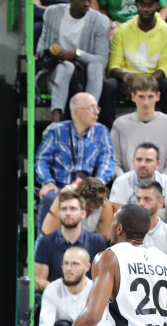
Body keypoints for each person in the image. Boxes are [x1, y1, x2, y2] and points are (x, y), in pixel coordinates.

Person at [34, 92, 115, 231]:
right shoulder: (56, 131)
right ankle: (43, 244)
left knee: (103, 201)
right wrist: (48, 181)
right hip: (59, 186)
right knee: (48, 198)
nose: (97, 112)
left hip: (89, 186)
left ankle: (99, 246)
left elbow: (107, 162)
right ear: (76, 112)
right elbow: (42, 160)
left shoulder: (101, 131)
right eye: (91, 108)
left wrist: (96, 184)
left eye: (97, 108)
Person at [102, 0, 167, 122]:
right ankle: (108, 127)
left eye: (150, 5)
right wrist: (124, 76)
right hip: (127, 80)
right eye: (142, 5)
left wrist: (144, 83)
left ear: (157, 6)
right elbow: (113, 66)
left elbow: (165, 67)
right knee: (109, 85)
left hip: (153, 79)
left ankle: (165, 125)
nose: (146, 9)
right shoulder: (122, 30)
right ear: (136, 5)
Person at [35, 0, 110, 123]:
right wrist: (54, 55)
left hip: (84, 76)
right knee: (66, 67)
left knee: (96, 66)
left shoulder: (101, 21)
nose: (87, 3)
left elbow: (101, 61)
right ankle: (57, 116)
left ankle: (89, 114)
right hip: (55, 73)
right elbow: (41, 50)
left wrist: (76, 53)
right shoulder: (52, 13)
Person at [39, 246, 110, 326]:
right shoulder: (52, 289)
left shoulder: (96, 290)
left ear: (87, 267)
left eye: (75, 264)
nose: (68, 268)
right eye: (65, 263)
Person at [34, 190, 108, 291]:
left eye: (73, 209)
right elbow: (39, 281)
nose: (68, 213)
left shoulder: (97, 241)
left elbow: (102, 279)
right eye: (64, 209)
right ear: (59, 213)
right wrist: (65, 294)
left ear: (83, 214)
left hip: (87, 301)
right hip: (56, 301)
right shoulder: (45, 242)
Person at [111, 76, 167, 179]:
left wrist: (160, 183)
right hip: (127, 184)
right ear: (133, 97)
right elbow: (115, 162)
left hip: (161, 184)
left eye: (150, 96)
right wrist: (125, 182)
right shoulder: (120, 124)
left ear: (158, 96)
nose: (146, 102)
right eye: (141, 96)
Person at [109, 142, 167, 229]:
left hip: (163, 235)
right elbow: (119, 222)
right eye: (139, 160)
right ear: (133, 162)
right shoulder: (121, 182)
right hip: (131, 235)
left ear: (158, 164)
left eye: (148, 160)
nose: (143, 164)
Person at [137, 178, 167, 278]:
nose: (141, 203)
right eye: (138, 199)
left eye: (147, 199)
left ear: (161, 202)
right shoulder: (125, 233)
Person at [41, 177, 115, 240]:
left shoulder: (104, 204)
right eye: (88, 207)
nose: (91, 210)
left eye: (95, 207)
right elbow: (47, 231)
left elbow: (104, 239)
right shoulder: (65, 194)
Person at [99, 0, 167, 25]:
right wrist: (111, 23)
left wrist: (156, 23)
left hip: (145, 24)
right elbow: (102, 9)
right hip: (117, 25)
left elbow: (164, 8)